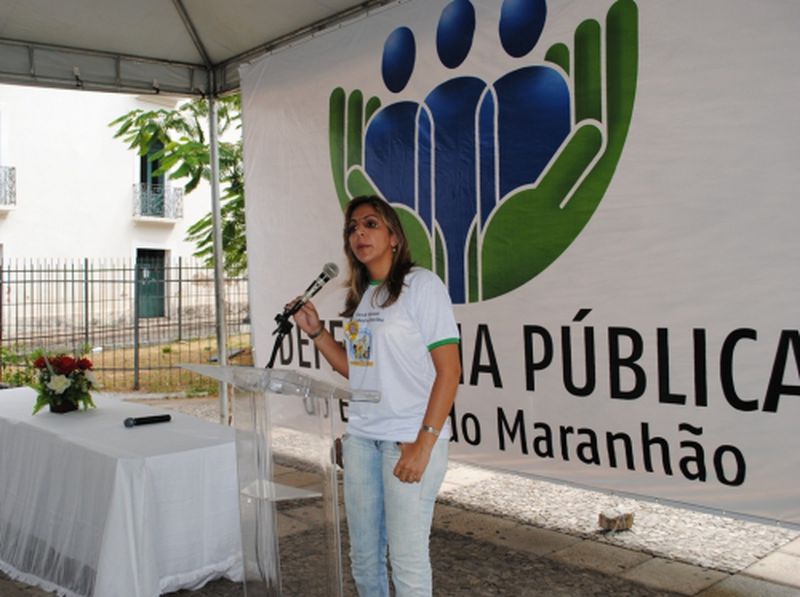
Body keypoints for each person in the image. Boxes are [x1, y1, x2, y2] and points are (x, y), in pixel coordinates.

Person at [290, 195, 461, 596]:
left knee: (407, 559)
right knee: (364, 559)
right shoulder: (365, 296)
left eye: (370, 224)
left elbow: (449, 371)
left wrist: (424, 443)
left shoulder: (422, 286)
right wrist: (316, 332)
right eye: (352, 228)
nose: (359, 234)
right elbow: (358, 371)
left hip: (408, 439)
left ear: (394, 237)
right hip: (363, 440)